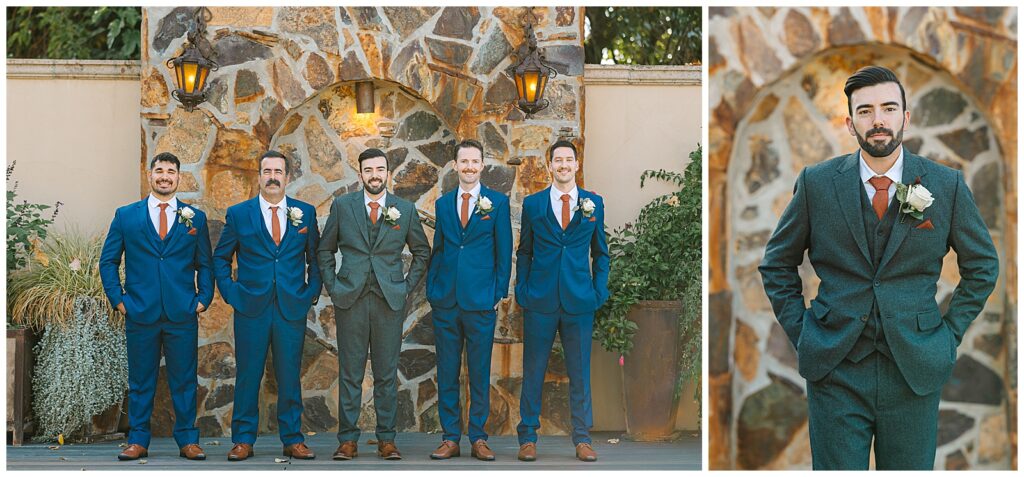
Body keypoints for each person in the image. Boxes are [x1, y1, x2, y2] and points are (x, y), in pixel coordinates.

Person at [759, 65, 998, 470]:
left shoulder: (945, 185)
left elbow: (983, 266)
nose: (878, 120)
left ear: (905, 117)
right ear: (850, 123)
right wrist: (805, 334)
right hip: (836, 370)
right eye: (865, 111)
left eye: (888, 108)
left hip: (914, 371)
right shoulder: (817, 184)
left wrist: (948, 335)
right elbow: (777, 264)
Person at [317, 148, 430, 461]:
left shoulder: (404, 210)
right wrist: (334, 286)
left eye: (380, 169)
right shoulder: (342, 206)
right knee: (350, 371)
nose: (375, 175)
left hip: (388, 301)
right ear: (360, 174)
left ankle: (387, 440)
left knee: (386, 372)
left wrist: (405, 288)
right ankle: (348, 440)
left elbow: (422, 252)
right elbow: (324, 251)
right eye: (369, 170)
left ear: (388, 173)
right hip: (350, 298)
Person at [99, 152, 213, 461]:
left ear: (178, 178)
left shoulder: (194, 218)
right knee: (140, 380)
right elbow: (108, 261)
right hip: (140, 311)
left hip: (182, 313)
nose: (165, 176)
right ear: (150, 175)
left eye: (171, 171)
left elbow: (205, 262)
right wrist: (119, 301)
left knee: (185, 380)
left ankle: (188, 440)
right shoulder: (126, 216)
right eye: (159, 170)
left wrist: (202, 300)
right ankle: (138, 440)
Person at [213, 151, 321, 461]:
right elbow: (221, 258)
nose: (272, 176)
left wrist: (310, 292)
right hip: (250, 307)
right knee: (248, 373)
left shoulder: (305, 213)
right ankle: (243, 440)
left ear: (288, 177)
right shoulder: (239, 214)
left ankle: (293, 438)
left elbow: (315, 257)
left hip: (291, 307)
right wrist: (232, 293)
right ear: (258, 177)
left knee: (289, 374)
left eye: (278, 171)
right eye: (266, 171)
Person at [514, 140, 609, 462]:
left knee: (580, 373)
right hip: (539, 301)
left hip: (579, 301)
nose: (564, 165)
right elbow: (524, 251)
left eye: (569, 160)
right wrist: (522, 291)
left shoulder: (593, 203)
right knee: (533, 371)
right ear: (550, 166)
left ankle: (582, 438)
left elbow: (601, 253)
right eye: (558, 160)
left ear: (576, 165)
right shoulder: (534, 205)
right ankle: (527, 437)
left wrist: (599, 292)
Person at [425, 139, 512, 461]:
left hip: (480, 303)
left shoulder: (497, 203)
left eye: (475, 162)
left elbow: (504, 254)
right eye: (464, 162)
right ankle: (450, 437)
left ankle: (478, 437)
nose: (470, 167)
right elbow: (440, 249)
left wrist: (496, 294)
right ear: (455, 166)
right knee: (447, 371)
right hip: (446, 301)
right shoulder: (444, 204)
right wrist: (433, 290)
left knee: (478, 371)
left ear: (483, 165)